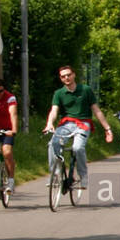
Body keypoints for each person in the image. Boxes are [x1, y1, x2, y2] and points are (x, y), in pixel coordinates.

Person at [42, 64, 113, 192]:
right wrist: (49, 124)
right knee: (53, 144)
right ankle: (55, 174)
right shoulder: (59, 93)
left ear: (74, 75)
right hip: (66, 124)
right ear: (61, 78)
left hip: (83, 124)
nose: (67, 78)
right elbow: (54, 111)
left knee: (78, 147)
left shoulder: (85, 90)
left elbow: (96, 110)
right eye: (63, 76)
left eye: (69, 75)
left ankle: (83, 175)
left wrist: (107, 129)